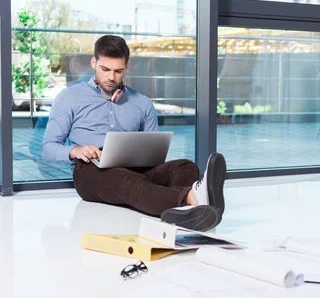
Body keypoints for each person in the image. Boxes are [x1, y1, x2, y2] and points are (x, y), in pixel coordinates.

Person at [41, 35, 226, 232]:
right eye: (105, 69)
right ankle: (193, 199)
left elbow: (154, 149)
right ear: (94, 63)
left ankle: (183, 215)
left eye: (118, 71)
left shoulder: (142, 102)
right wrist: (75, 151)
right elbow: (48, 148)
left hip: (135, 168)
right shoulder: (69, 97)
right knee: (128, 182)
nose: (111, 77)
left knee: (184, 166)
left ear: (126, 67)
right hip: (90, 171)